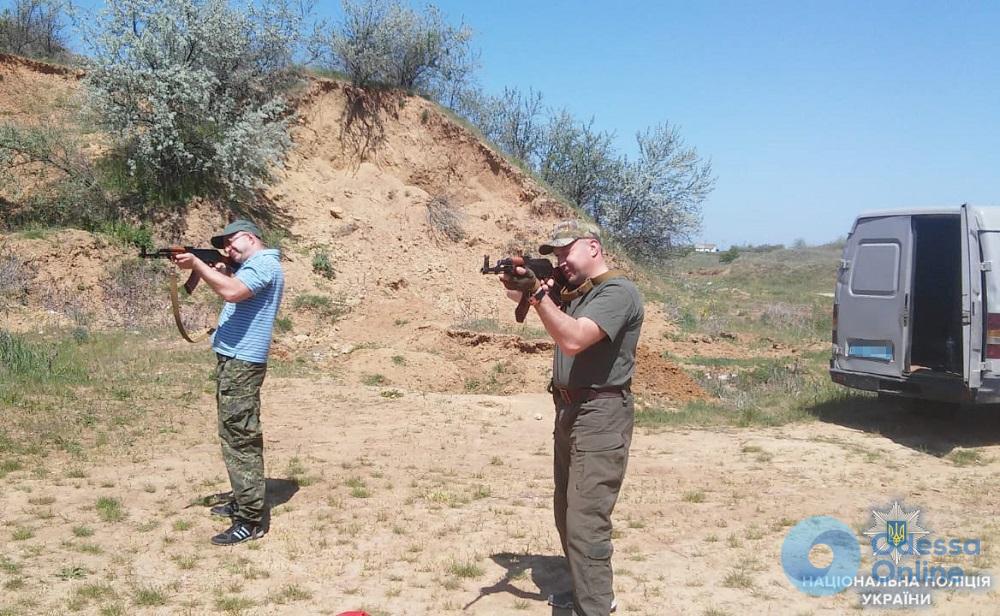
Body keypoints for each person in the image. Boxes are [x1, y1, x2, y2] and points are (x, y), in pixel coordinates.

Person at [500, 220, 643, 616]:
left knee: (586, 521)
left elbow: (574, 338)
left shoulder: (618, 292)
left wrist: (538, 296)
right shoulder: (576, 292)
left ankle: (595, 607)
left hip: (601, 413)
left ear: (593, 247)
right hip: (569, 411)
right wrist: (517, 280)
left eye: (567, 251)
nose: (561, 260)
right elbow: (520, 291)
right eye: (556, 255)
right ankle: (584, 593)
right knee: (565, 512)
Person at [172, 219, 285, 545]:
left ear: (251, 237)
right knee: (233, 432)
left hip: (242, 363)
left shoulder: (264, 264)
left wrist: (198, 265)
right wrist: (210, 268)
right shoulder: (250, 266)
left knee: (240, 438)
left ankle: (250, 519)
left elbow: (233, 292)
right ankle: (244, 496)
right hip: (233, 360)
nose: (229, 249)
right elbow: (235, 286)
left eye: (233, 243)